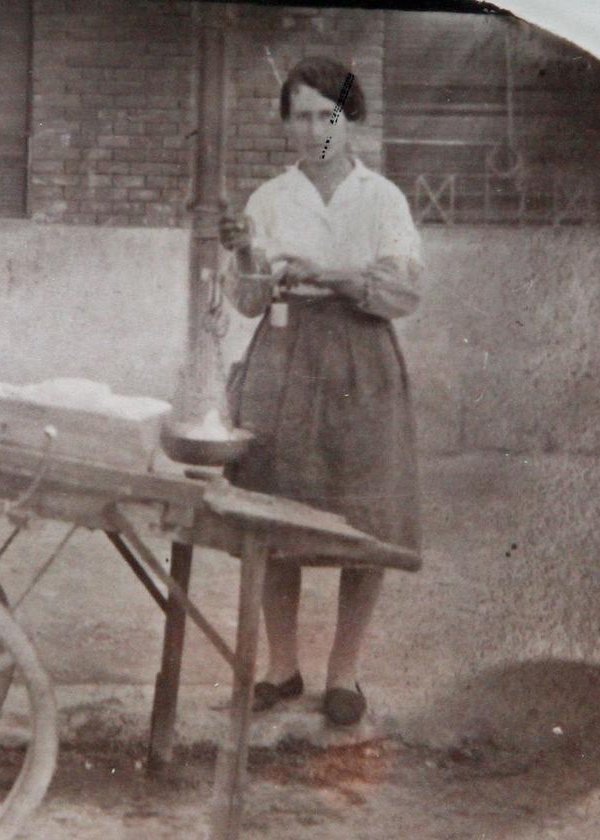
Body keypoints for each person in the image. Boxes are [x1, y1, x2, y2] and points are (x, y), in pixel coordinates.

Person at [219, 57, 423, 727]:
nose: (314, 131)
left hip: (362, 364)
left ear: (349, 117)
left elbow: (401, 291)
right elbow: (248, 301)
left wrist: (329, 273)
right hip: (284, 359)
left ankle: (345, 674)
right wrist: (246, 256)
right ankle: (283, 668)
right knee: (279, 514)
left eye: (326, 116)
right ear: (286, 123)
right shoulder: (270, 200)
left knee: (363, 517)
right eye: (300, 117)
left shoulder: (381, 199)